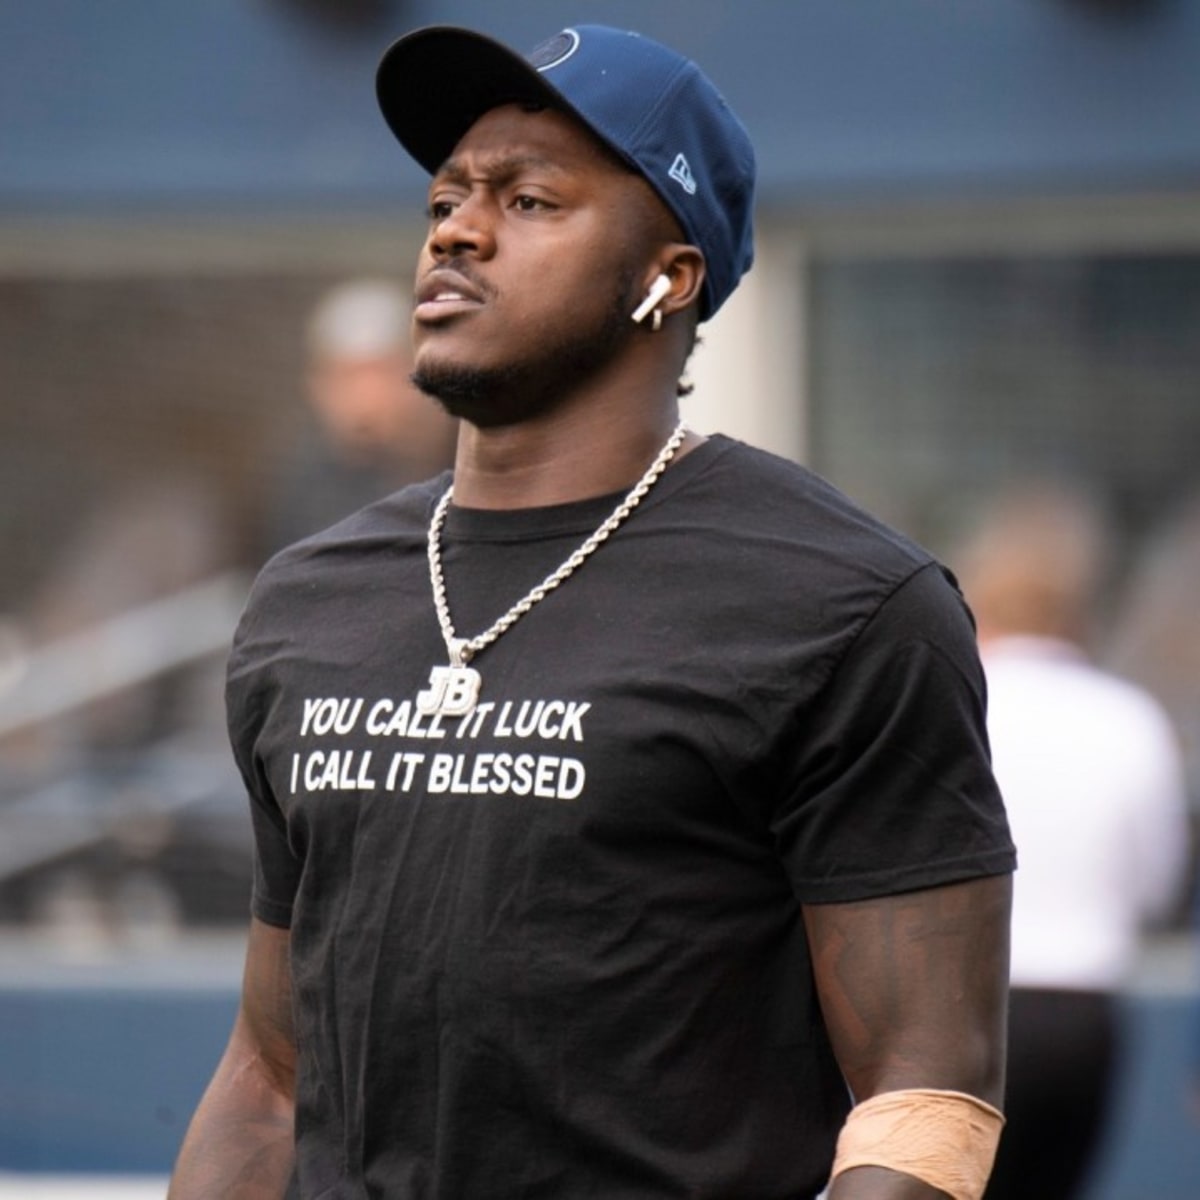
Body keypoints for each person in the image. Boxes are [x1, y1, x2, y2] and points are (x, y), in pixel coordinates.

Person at [169, 23, 1015, 1200]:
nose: (458, 230)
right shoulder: (308, 601)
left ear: (668, 278)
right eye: (448, 198)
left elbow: (926, 1098)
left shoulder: (843, 604)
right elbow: (269, 1070)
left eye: (530, 201)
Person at [951, 482, 1191, 1200]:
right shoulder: (1127, 718)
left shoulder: (960, 701)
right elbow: (1157, 882)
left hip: (964, 1001)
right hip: (1083, 1015)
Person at [264, 277, 456, 554]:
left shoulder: (464, 459)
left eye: (382, 373)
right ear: (318, 386)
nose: (368, 396)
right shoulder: (301, 488)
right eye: (348, 377)